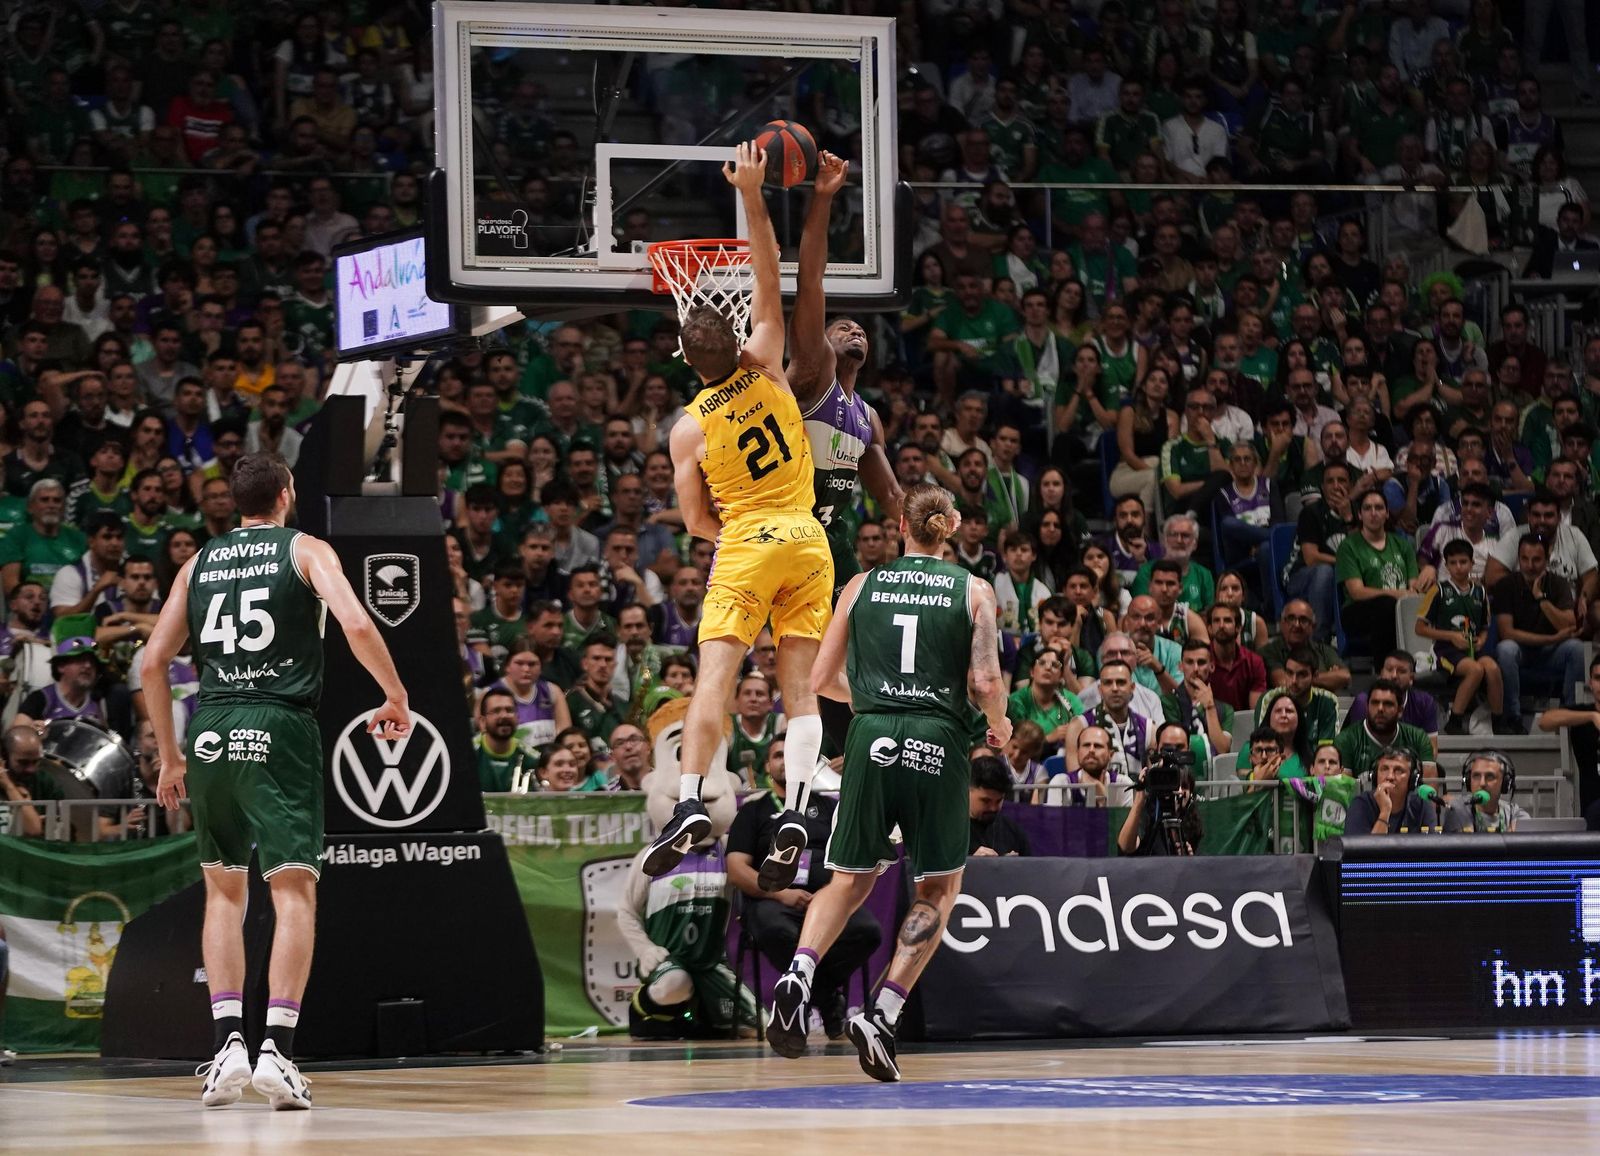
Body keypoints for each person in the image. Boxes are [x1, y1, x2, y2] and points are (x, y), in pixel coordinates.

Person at [142, 453, 410, 1110]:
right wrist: (396, 694)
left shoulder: (198, 563)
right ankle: (277, 1054)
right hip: (278, 724)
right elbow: (353, 622)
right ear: (287, 495)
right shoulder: (306, 550)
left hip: (209, 726)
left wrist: (171, 757)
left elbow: (152, 663)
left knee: (223, 893)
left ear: (237, 503)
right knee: (293, 893)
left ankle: (228, 1043)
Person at [641, 143, 832, 893]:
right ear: (737, 338)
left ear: (691, 362)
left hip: (749, 538)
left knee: (714, 676)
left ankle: (689, 804)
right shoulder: (769, 359)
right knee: (800, 691)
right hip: (808, 536)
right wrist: (753, 194)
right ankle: (797, 807)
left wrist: (731, 536)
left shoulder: (687, 428)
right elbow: (767, 267)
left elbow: (693, 523)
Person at [771, 483, 1010, 1081]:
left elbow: (823, 679)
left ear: (901, 524)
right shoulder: (974, 590)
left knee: (849, 881)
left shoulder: (860, 586)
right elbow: (983, 682)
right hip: (939, 737)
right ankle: (883, 1011)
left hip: (870, 735)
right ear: (951, 526)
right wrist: (999, 723)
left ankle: (799, 974)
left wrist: (879, 705)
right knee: (938, 889)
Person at [726, 733, 882, 1041]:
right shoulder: (753, 811)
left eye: (792, 754)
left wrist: (830, 896)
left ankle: (812, 994)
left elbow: (849, 862)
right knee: (779, 933)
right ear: (767, 765)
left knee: (867, 931)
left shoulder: (829, 808)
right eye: (778, 756)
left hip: (827, 900)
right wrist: (780, 893)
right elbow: (736, 869)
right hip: (772, 902)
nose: (785, 761)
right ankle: (827, 999)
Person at [1492, 533, 1584, 735]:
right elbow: (1507, 633)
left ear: (1547, 558)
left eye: (1536, 560)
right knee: (1505, 649)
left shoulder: (1558, 584)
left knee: (1577, 649)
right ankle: (1512, 718)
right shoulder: (1506, 585)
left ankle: (1570, 716)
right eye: (1524, 559)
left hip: (1551, 653)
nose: (1530, 565)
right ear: (1518, 558)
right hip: (1522, 652)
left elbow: (1569, 625)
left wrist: (1542, 599)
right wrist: (1552, 638)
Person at [1336, 488, 1428, 660]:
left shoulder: (1402, 544)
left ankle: (1424, 663)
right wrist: (1397, 594)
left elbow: (1414, 585)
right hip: (1358, 611)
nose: (1373, 513)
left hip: (1400, 605)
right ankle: (1384, 668)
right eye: (1367, 508)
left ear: (1386, 514)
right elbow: (1357, 592)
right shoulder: (1348, 547)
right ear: (1360, 515)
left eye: (1379, 508)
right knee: (1386, 606)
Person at [1116, 721, 1204, 855]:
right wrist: (1140, 798)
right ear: (1157, 749)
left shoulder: (1192, 807)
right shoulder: (1149, 800)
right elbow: (1125, 847)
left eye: (1179, 748)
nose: (1173, 754)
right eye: (1167, 749)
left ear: (1188, 749)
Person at [1333, 678, 1434, 783]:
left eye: (1388, 704)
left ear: (1400, 711)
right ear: (1366, 707)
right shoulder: (1346, 740)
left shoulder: (1418, 737)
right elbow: (1344, 793)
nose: (1380, 708)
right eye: (1375, 703)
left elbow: (1430, 788)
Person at [1342, 651, 1440, 749]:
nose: (1394, 676)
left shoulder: (1424, 702)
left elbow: (1431, 748)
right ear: (1380, 674)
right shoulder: (1364, 701)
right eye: (1389, 670)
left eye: (1401, 671)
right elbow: (1358, 749)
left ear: (1411, 678)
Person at [1344, 747, 1451, 834]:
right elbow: (1364, 856)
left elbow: (1431, 854)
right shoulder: (1361, 804)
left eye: (1399, 770)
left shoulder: (1422, 804)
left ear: (1412, 779)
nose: (1390, 777)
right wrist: (1385, 812)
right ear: (1375, 776)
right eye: (1384, 769)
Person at [1448, 751, 1528, 833]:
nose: (1482, 783)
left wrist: (1520, 829)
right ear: (1468, 781)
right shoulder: (1456, 811)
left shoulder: (1513, 813)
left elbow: (1527, 824)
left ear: (1505, 783)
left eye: (1490, 776)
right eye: (1476, 776)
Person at [969, 755, 1031, 856]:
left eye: (998, 801)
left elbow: (1031, 869)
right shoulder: (946, 831)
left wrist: (1014, 866)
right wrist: (973, 864)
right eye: (986, 801)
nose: (993, 808)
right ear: (967, 792)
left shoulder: (1013, 832)